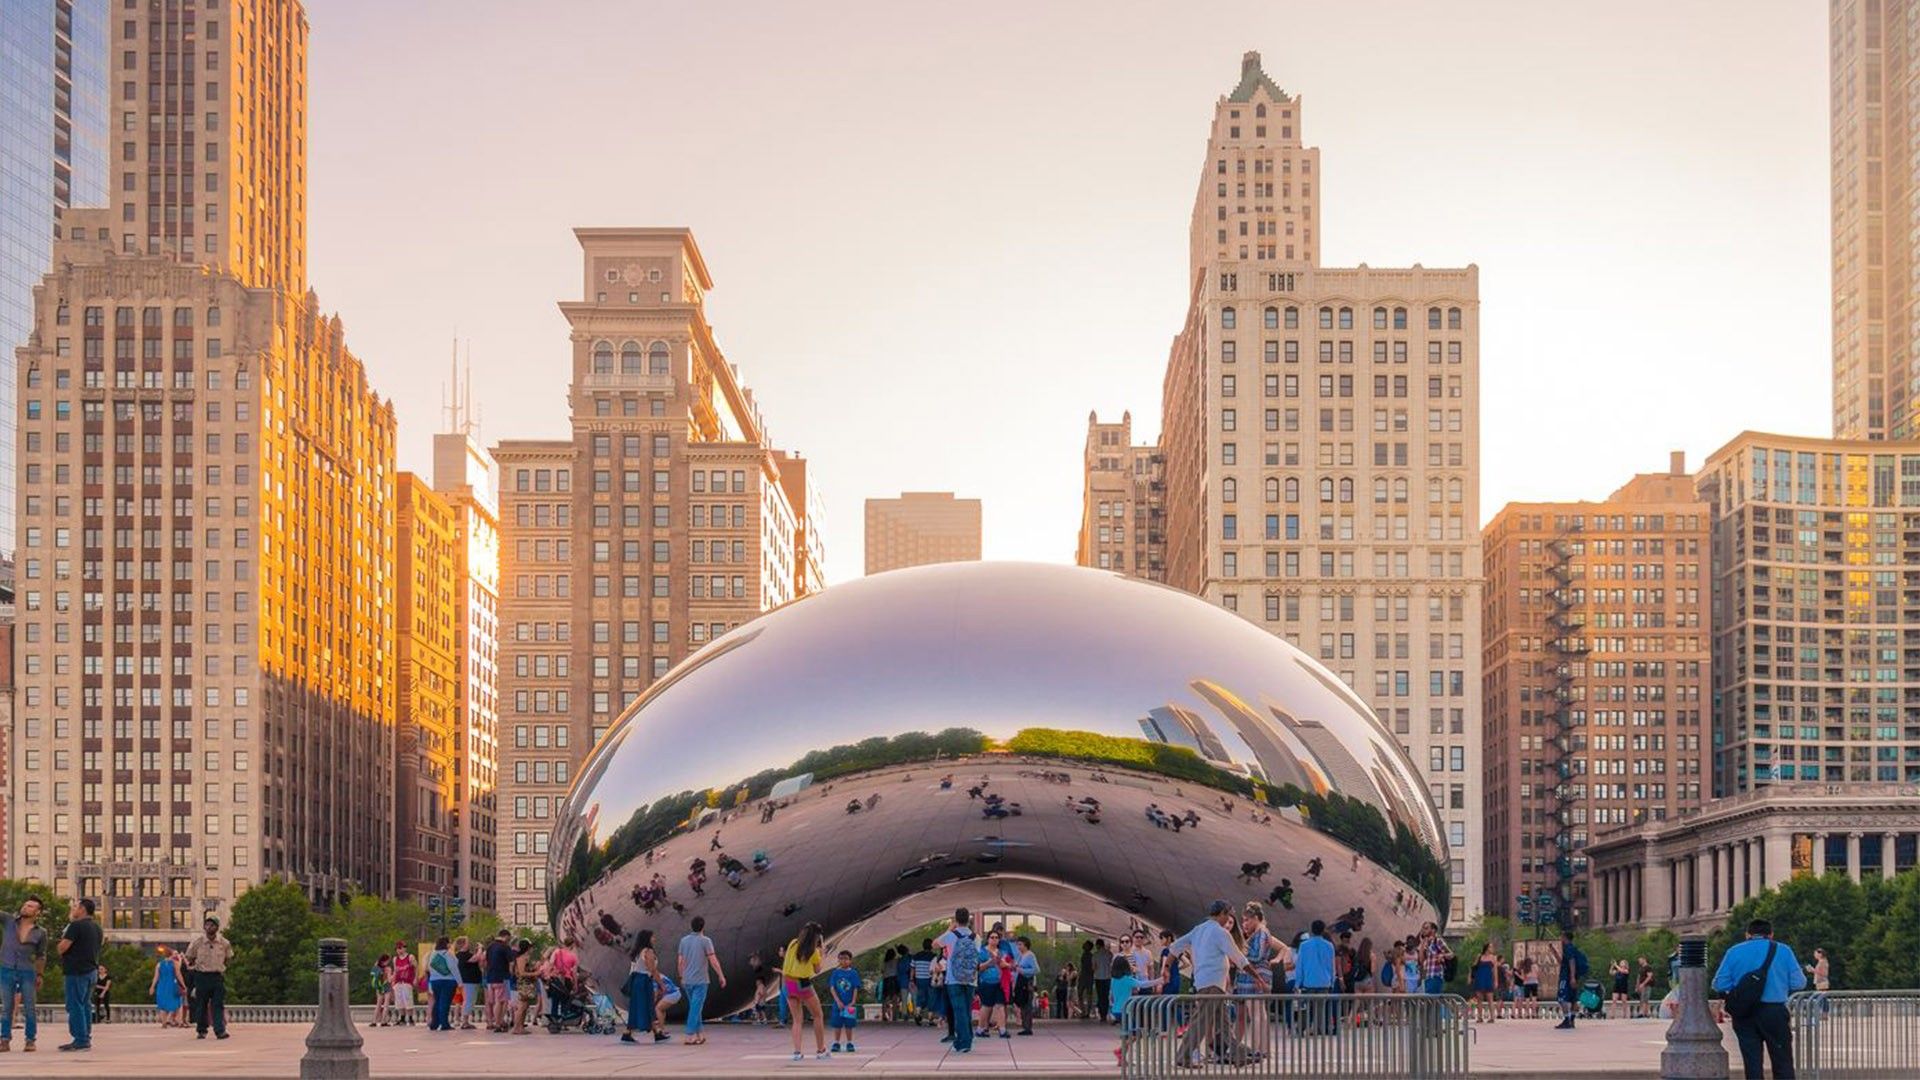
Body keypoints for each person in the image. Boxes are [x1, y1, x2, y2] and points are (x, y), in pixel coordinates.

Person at [1711, 918, 1805, 1080]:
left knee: (1752, 1062)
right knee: (1782, 1060)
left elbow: (1719, 984)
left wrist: (1740, 987)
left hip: (1744, 1013)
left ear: (1747, 934)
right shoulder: (1783, 950)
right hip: (1774, 1012)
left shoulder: (1734, 951)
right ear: (1771, 934)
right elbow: (1799, 982)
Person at [1171, 899, 1250, 1068]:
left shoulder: (1198, 930)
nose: (1228, 920)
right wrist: (1257, 978)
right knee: (1200, 1021)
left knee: (1224, 1022)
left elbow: (1175, 946)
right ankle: (1183, 1056)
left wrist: (1166, 966)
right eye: (1227, 915)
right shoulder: (1220, 933)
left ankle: (1238, 1054)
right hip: (1213, 984)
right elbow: (1239, 958)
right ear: (1222, 913)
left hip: (1209, 983)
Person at [1, 894, 48, 1052]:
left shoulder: (41, 932)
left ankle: (30, 1040)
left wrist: (40, 974)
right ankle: (4, 1039)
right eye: (25, 904)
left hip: (27, 971)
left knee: (30, 1007)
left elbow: (41, 955)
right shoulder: (9, 921)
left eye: (30, 906)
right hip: (6, 969)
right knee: (7, 1007)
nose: (25, 907)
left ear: (37, 912)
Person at [56, 897, 102, 1052]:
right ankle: (85, 1037)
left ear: (82, 909)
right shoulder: (97, 928)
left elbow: (62, 948)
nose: (73, 909)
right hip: (91, 971)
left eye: (75, 907)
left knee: (75, 1005)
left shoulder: (75, 926)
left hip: (76, 971)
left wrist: (67, 929)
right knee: (85, 1005)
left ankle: (80, 1040)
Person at [934, 907, 981, 1053]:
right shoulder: (976, 937)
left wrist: (949, 928)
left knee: (958, 1010)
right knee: (966, 1009)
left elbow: (935, 944)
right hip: (971, 978)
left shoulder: (951, 935)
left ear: (956, 919)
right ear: (969, 920)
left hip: (953, 978)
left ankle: (963, 1042)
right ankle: (968, 1036)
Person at [782, 920, 830, 1061]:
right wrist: (823, 954)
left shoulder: (793, 943)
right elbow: (817, 969)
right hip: (802, 983)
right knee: (817, 1015)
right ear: (816, 937)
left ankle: (797, 1052)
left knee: (797, 1020)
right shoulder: (813, 951)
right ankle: (821, 1050)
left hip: (788, 982)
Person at [676, 916, 725, 1045]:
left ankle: (700, 1035)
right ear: (703, 927)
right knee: (695, 1008)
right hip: (700, 980)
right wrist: (721, 975)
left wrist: (681, 976)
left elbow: (680, 962)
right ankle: (689, 1035)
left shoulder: (683, 941)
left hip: (687, 980)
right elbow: (713, 960)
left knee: (695, 1007)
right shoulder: (706, 941)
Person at [620, 929, 663, 1045]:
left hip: (637, 981)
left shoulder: (638, 952)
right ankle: (630, 1032)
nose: (655, 939)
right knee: (646, 1005)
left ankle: (656, 1032)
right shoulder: (648, 951)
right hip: (644, 981)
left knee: (640, 1006)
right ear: (647, 939)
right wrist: (661, 984)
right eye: (653, 937)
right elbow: (652, 969)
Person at [1295, 918, 1336, 1036]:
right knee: (1321, 1009)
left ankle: (1301, 1029)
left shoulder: (1304, 946)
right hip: (1324, 982)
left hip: (1309, 981)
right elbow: (1331, 965)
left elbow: (1300, 965)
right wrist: (1332, 982)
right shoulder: (1329, 946)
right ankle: (1320, 1029)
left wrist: (1297, 983)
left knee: (1306, 1008)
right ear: (1323, 930)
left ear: (1312, 930)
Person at [1554, 928, 1588, 1030]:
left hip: (1566, 977)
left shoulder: (1568, 948)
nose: (1560, 938)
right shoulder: (1572, 948)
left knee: (1561, 998)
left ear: (1565, 938)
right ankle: (1572, 1019)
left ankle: (1566, 1020)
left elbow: (1571, 962)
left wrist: (1572, 977)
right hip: (1573, 976)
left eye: (1561, 936)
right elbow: (1563, 963)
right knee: (1573, 999)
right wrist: (1554, 953)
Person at [827, 950, 861, 1053]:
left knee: (849, 1024)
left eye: (846, 958)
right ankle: (836, 1042)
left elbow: (855, 987)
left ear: (850, 960)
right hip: (838, 1003)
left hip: (849, 1003)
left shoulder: (853, 973)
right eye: (841, 958)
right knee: (837, 1024)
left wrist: (853, 1001)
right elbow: (832, 988)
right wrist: (837, 1001)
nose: (843, 961)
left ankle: (849, 1042)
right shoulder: (836, 973)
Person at [425, 937, 460, 1031]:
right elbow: (453, 968)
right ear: (447, 944)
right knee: (445, 1002)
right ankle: (444, 1023)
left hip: (435, 981)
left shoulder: (432, 954)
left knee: (437, 1002)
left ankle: (434, 1023)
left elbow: (429, 967)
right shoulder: (447, 954)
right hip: (448, 981)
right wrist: (460, 982)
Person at [483, 930, 514, 1032]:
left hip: (490, 977)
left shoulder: (490, 947)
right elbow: (511, 963)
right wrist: (511, 973)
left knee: (493, 1001)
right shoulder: (505, 947)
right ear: (505, 937)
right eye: (508, 938)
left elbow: (486, 961)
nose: (509, 940)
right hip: (501, 977)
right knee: (500, 1001)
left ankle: (497, 1021)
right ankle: (498, 1023)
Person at [152, 945, 187, 1029]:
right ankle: (179, 1022)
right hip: (172, 985)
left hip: (162, 986)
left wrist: (152, 986)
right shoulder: (175, 963)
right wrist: (183, 985)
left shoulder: (159, 964)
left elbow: (156, 977)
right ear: (171, 954)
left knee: (163, 1004)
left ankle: (164, 1023)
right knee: (177, 1003)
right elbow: (179, 975)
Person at [454, 936, 484, 1030]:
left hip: (472, 980)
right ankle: (465, 1021)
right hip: (468, 981)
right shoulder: (462, 955)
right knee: (468, 1000)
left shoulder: (466, 954)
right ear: (463, 944)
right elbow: (475, 958)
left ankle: (466, 1020)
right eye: (467, 942)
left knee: (471, 1000)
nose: (469, 943)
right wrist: (480, 949)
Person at [510, 940, 539, 1035]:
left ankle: (520, 1026)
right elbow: (522, 973)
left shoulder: (526, 958)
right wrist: (535, 973)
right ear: (527, 948)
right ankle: (516, 1027)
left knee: (525, 1006)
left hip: (527, 984)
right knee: (522, 1006)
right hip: (524, 984)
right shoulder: (521, 958)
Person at [1014, 936, 1040, 1035]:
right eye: (1018, 944)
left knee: (1027, 1004)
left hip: (1027, 982)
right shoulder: (1021, 955)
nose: (1018, 947)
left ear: (1026, 945)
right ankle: (1025, 1026)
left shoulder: (1030, 955)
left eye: (1020, 944)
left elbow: (1036, 969)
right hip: (1021, 981)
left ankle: (1028, 1027)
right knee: (1022, 1003)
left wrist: (1023, 970)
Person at [391, 942, 418, 1026]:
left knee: (408, 999)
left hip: (407, 981)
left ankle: (410, 1018)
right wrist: (393, 981)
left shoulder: (410, 957)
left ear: (404, 948)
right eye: (397, 949)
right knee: (399, 1000)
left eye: (400, 948)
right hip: (398, 981)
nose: (399, 950)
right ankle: (401, 1017)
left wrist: (415, 978)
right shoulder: (395, 959)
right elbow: (395, 970)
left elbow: (416, 967)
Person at [911, 939, 936, 1027]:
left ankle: (917, 1013)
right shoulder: (933, 956)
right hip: (929, 979)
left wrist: (911, 979)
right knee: (931, 998)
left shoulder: (916, 956)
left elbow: (912, 968)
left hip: (919, 979)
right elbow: (934, 969)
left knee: (920, 996)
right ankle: (930, 1019)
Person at [1471, 943, 1497, 1021]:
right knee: (1479, 999)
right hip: (1479, 978)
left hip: (1488, 978)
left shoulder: (1493, 958)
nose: (1492, 948)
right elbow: (1474, 967)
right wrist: (1471, 977)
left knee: (1490, 998)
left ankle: (1492, 1017)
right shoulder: (1480, 957)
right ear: (1486, 948)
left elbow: (1495, 970)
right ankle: (1480, 1017)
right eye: (1490, 947)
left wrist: (1496, 981)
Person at [1092, 938, 1113, 1023]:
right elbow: (1112, 965)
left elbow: (1093, 967)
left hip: (1098, 978)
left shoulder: (1095, 955)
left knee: (1100, 996)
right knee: (1106, 995)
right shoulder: (1109, 954)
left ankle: (1102, 1015)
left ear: (1097, 945)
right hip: (1108, 977)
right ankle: (1106, 1012)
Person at [370, 955, 394, 1027]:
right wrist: (394, 975)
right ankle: (383, 1021)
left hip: (379, 988)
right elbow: (389, 980)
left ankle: (374, 1021)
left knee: (378, 1005)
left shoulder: (376, 967)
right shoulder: (388, 969)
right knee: (386, 1005)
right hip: (386, 987)